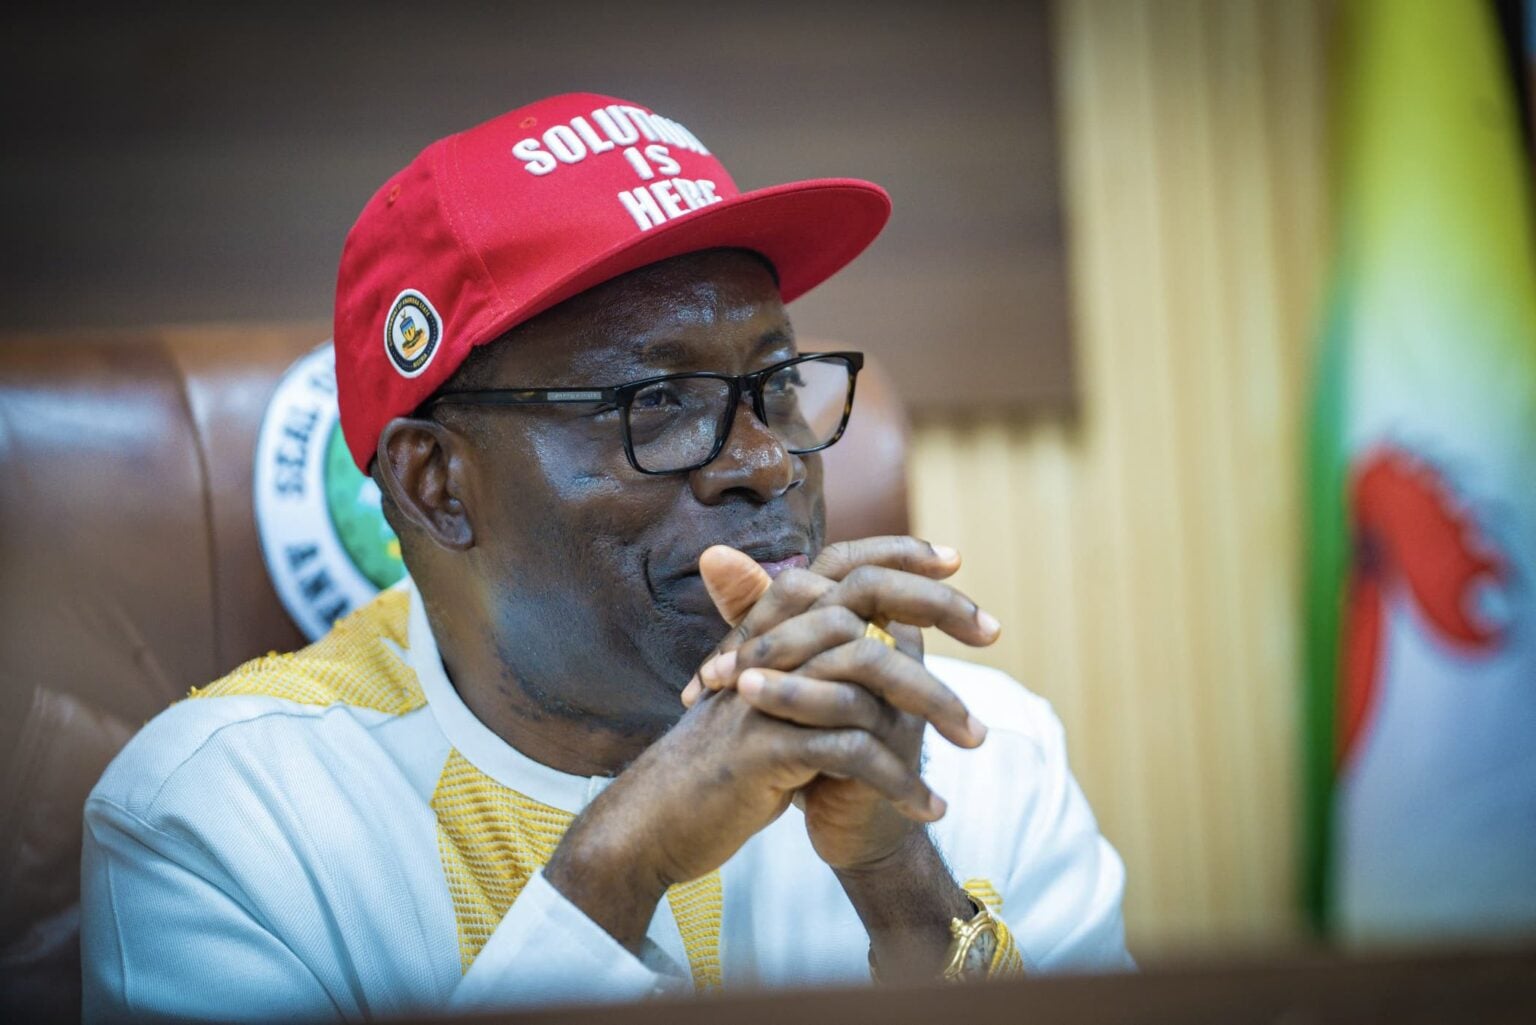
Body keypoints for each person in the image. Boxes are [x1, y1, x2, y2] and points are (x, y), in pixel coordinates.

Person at [81, 92, 1130, 1022]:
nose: (767, 461)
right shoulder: (223, 824)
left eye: (774, 386)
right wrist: (616, 869)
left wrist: (903, 880)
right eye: (658, 400)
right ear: (437, 483)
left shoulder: (982, 753)